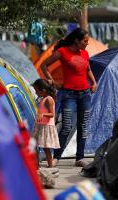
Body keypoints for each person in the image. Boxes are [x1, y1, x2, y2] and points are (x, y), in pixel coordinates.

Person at [41, 28, 97, 167]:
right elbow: (44, 65)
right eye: (85, 41)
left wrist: (94, 82)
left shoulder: (85, 53)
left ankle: (79, 158)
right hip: (69, 94)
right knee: (66, 126)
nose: (87, 43)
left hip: (85, 94)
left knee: (83, 127)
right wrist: (52, 81)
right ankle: (56, 157)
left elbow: (88, 69)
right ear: (76, 41)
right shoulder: (62, 52)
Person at [32, 79, 60, 168]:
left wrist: (42, 114)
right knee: (36, 145)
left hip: (46, 127)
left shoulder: (49, 99)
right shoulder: (43, 98)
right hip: (41, 125)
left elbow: (52, 114)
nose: (36, 93)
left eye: (36, 91)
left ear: (43, 91)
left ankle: (50, 165)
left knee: (46, 148)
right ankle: (36, 165)